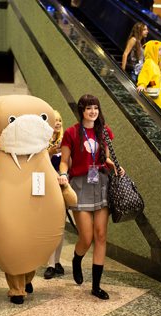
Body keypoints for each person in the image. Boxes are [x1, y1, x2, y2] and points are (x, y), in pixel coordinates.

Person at [57, 95, 124, 300]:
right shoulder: (71, 133)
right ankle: (77, 259)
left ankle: (96, 286)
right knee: (86, 237)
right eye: (88, 108)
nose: (93, 111)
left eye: (95, 107)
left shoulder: (103, 131)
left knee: (101, 235)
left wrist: (115, 166)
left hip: (101, 183)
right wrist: (61, 174)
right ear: (82, 111)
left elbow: (106, 157)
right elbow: (65, 160)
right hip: (80, 185)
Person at [44, 110, 66, 279]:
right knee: (50, 225)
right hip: (46, 186)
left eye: (59, 120)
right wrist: (50, 152)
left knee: (61, 225)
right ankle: (49, 263)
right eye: (54, 120)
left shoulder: (65, 141)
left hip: (63, 186)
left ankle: (57, 261)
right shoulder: (43, 142)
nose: (57, 123)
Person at [136, 40, 161, 112]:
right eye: (159, 50)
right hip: (153, 97)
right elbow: (144, 74)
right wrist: (142, 84)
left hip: (158, 97)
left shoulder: (157, 64)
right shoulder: (149, 62)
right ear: (152, 50)